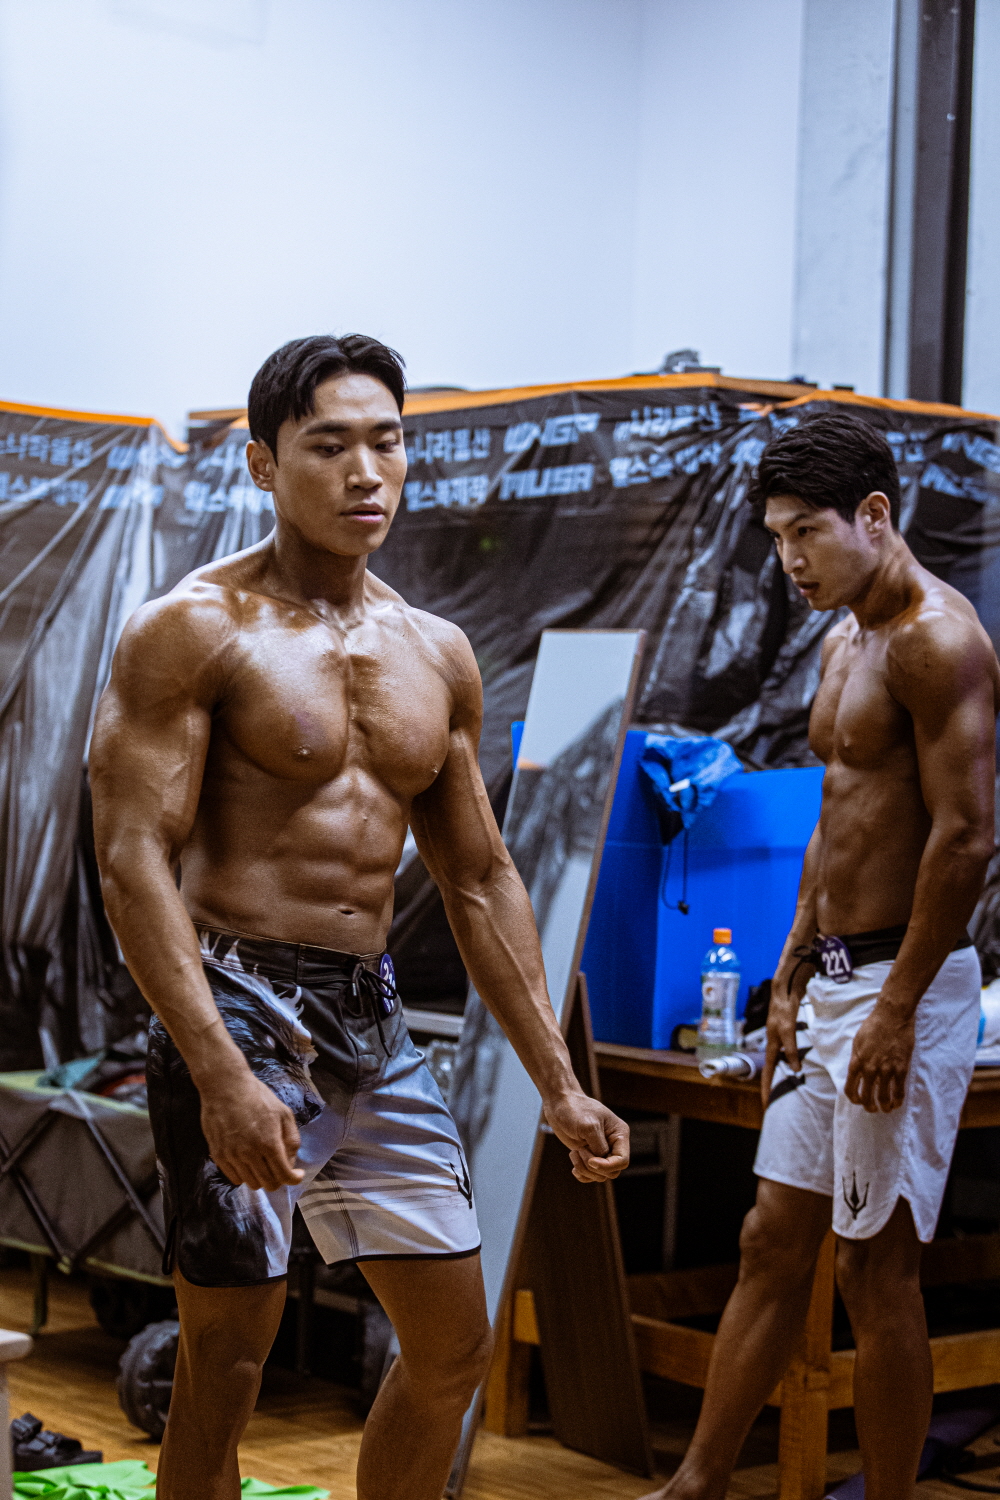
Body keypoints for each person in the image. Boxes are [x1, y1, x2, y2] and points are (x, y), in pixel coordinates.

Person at [89, 334, 630, 1500]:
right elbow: (132, 861)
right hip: (239, 1011)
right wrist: (217, 1069)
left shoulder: (435, 651)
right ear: (262, 463)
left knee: (451, 1349)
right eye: (329, 445)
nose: (365, 472)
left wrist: (558, 1082)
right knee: (226, 1367)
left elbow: (479, 878)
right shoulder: (193, 629)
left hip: (372, 1027)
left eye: (386, 442)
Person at [641, 410, 999, 1500]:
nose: (789, 559)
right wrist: (792, 971)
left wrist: (893, 1009)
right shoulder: (844, 638)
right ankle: (699, 1483)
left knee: (874, 1267)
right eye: (776, 536)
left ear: (873, 515)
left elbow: (966, 838)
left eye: (806, 532)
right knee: (770, 1239)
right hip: (836, 980)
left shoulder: (940, 640)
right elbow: (836, 824)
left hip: (904, 986)